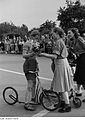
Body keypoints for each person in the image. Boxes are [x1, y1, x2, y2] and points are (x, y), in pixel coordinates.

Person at [39, 27, 73, 113]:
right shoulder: (60, 40)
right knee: (61, 84)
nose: (52, 35)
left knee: (62, 85)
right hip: (62, 63)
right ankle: (63, 102)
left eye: (53, 33)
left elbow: (55, 56)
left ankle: (67, 105)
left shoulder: (58, 42)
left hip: (60, 63)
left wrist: (43, 54)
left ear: (57, 33)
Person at [23, 30, 40, 111]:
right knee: (30, 85)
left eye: (37, 38)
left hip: (34, 64)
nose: (36, 40)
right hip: (28, 65)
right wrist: (32, 54)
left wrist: (37, 65)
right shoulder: (27, 44)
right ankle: (27, 103)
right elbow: (24, 55)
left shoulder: (35, 44)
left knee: (34, 83)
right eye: (36, 38)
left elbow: (36, 56)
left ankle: (32, 99)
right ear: (32, 36)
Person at [67, 28, 85, 96]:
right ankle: (79, 91)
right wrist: (70, 49)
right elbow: (75, 50)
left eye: (69, 33)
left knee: (82, 76)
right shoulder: (73, 41)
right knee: (78, 75)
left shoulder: (79, 39)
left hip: (83, 57)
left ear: (74, 33)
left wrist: (79, 52)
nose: (68, 34)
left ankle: (79, 91)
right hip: (79, 58)